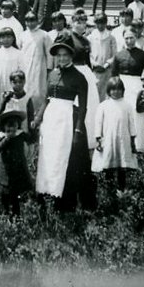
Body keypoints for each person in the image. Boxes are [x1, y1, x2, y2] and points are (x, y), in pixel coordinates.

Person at [34, 37, 96, 211]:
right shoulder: (52, 74)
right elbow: (46, 100)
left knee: (66, 160)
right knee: (50, 158)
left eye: (65, 55)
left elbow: (83, 107)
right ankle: (47, 195)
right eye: (59, 55)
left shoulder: (79, 77)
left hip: (67, 121)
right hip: (51, 121)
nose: (61, 59)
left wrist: (77, 130)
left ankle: (65, 202)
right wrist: (38, 119)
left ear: (71, 56)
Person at [110, 28, 144, 155]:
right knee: (121, 114)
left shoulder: (143, 54)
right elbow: (113, 75)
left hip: (136, 87)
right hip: (121, 87)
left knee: (137, 115)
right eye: (127, 38)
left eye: (132, 38)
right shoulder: (119, 55)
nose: (129, 41)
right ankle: (121, 147)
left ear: (136, 38)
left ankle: (138, 148)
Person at [92, 75, 139, 194]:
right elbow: (98, 123)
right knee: (109, 163)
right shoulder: (103, 106)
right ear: (108, 91)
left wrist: (133, 139)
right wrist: (98, 138)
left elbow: (131, 123)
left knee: (121, 164)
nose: (116, 92)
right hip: (108, 140)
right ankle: (108, 190)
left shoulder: (127, 106)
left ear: (123, 90)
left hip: (123, 139)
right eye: (113, 89)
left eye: (118, 89)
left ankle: (121, 189)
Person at [0, 27, 24, 141]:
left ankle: (11, 141)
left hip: (12, 89)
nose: (6, 39)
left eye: (9, 36)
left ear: (13, 38)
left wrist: (18, 90)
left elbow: (22, 73)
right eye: (3, 37)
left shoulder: (19, 54)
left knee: (10, 113)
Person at [0, 109, 33, 214]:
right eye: (8, 126)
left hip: (18, 167)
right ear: (3, 126)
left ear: (18, 125)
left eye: (14, 125)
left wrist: (33, 128)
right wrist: (7, 139)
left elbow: (31, 139)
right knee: (5, 192)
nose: (11, 129)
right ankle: (5, 211)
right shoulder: (1, 136)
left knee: (15, 192)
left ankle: (16, 213)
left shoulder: (20, 135)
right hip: (5, 169)